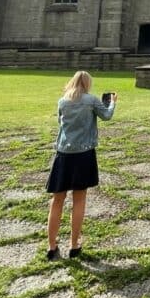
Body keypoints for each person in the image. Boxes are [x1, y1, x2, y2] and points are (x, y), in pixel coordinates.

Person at [45, 70, 116, 260]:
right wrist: (113, 102)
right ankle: (74, 245)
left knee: (57, 200)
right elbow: (107, 116)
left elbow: (62, 124)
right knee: (79, 200)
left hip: (63, 154)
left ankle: (52, 246)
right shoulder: (91, 100)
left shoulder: (62, 101)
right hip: (83, 153)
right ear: (87, 84)